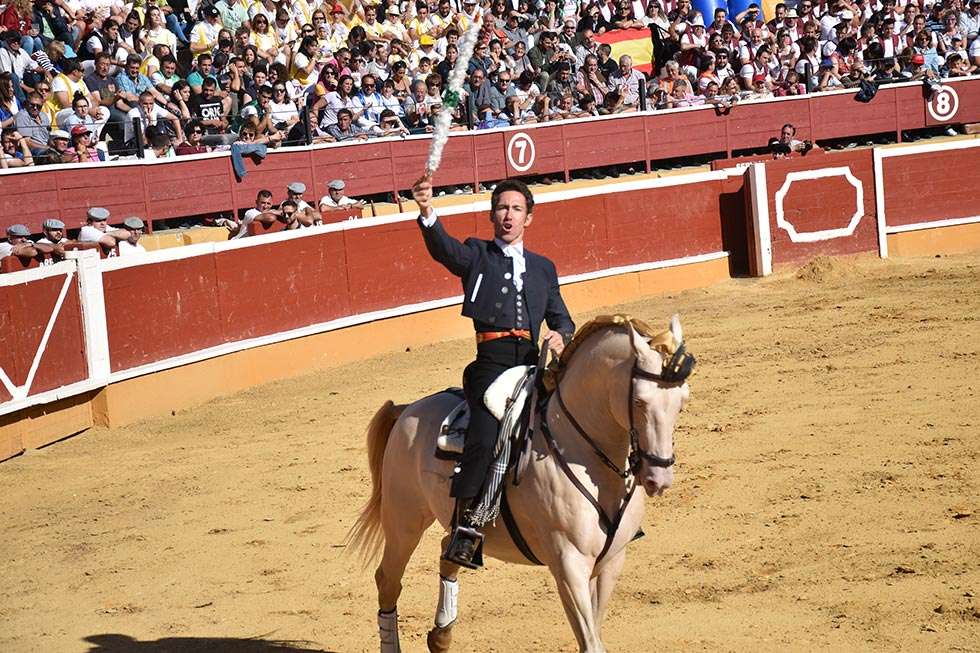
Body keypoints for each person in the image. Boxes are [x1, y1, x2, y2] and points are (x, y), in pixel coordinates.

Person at [411, 174, 575, 568]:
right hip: (491, 362)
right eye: (502, 207)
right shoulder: (477, 255)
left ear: (528, 218)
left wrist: (561, 336)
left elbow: (562, 318)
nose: (508, 215)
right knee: (485, 432)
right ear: (491, 215)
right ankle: (467, 527)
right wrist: (426, 210)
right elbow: (444, 250)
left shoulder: (543, 268)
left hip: (530, 363)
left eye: (517, 209)